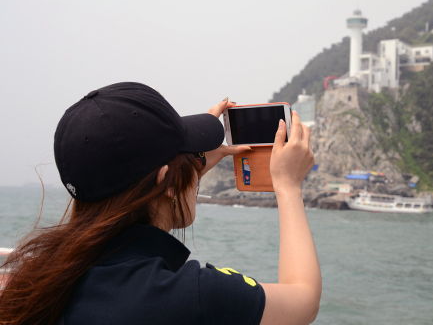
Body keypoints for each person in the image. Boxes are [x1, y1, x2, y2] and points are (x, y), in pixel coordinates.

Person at [0, 82, 321, 325]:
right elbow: (303, 300)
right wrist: (288, 186)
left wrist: (185, 167)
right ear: (164, 181)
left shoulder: (35, 281)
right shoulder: (193, 296)